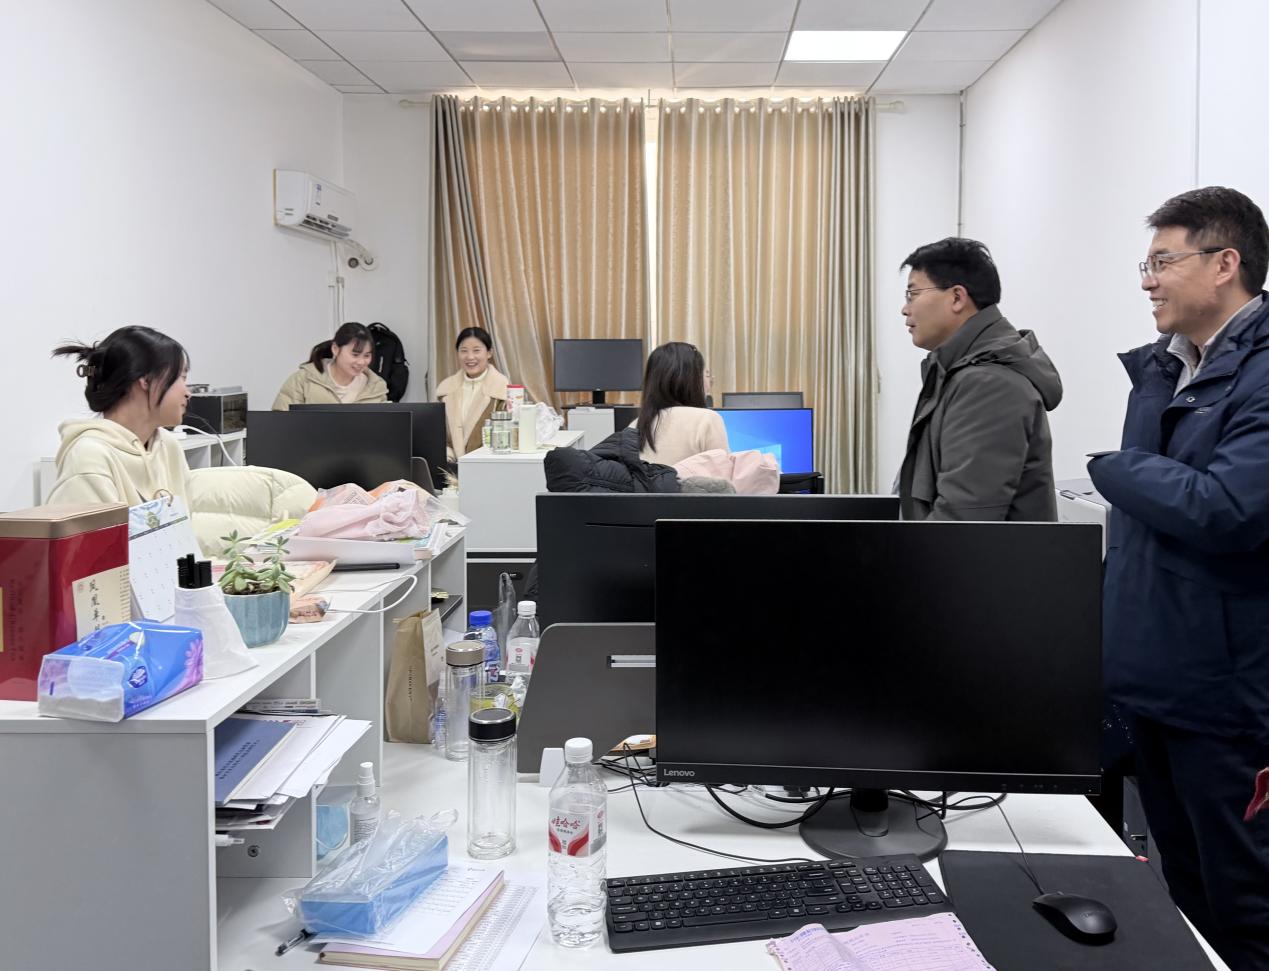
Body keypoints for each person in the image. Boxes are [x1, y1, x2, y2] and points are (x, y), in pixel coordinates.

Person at [1088, 186, 1269, 971]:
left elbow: (1228, 508)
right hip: (1154, 682)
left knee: (1243, 904)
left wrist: (1114, 467)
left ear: (1224, 264)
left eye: (1162, 262)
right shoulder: (1168, 368)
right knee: (1183, 892)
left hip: (1224, 700)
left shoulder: (1259, 372)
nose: (1147, 280)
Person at [897, 237, 1062, 521]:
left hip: (966, 552)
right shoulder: (959, 371)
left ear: (957, 298)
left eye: (913, 294)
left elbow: (962, 522)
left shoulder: (989, 385)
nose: (905, 308)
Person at [48, 325, 193, 507]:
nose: (188, 393)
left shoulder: (167, 445)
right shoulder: (89, 458)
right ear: (146, 380)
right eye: (181, 377)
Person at [633, 341, 728, 466]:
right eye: (707, 375)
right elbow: (723, 473)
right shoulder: (707, 420)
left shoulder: (636, 425)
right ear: (692, 379)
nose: (709, 383)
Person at [272, 322, 388, 409]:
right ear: (335, 349)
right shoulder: (304, 380)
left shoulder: (376, 387)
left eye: (367, 355)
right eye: (355, 355)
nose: (361, 362)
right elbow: (281, 422)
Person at [435, 327, 509, 459]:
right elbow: (438, 433)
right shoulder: (445, 390)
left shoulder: (502, 390)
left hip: (488, 463)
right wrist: (447, 456)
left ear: (489, 353)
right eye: (464, 351)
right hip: (449, 465)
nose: (470, 357)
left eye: (476, 350)